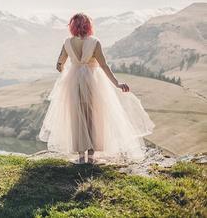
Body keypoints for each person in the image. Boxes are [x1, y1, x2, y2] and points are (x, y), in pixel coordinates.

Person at [39, 13, 154, 164]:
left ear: (72, 26)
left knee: (77, 118)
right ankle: (91, 157)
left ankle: (80, 157)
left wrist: (69, 71)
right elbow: (104, 66)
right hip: (94, 83)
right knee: (93, 118)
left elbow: (59, 65)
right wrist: (117, 83)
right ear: (88, 26)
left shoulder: (67, 42)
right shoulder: (95, 42)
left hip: (73, 84)